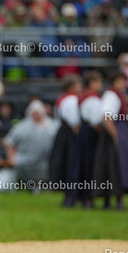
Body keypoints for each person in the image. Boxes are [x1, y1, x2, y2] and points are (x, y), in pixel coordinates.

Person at [93, 71, 128, 210]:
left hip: (118, 130)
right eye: (121, 81)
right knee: (113, 167)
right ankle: (113, 199)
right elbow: (107, 117)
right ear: (114, 81)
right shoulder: (111, 96)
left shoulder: (118, 95)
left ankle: (115, 199)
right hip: (113, 134)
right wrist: (116, 136)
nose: (124, 84)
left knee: (117, 166)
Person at [1, 100, 59, 192]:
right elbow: (8, 142)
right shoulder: (21, 126)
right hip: (26, 161)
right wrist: (11, 158)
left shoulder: (53, 125)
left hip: (47, 161)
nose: (37, 115)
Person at [70, 71, 104, 208]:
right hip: (91, 133)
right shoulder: (93, 99)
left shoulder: (81, 96)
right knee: (89, 165)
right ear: (92, 83)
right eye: (98, 82)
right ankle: (87, 197)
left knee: (81, 164)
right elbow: (96, 121)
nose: (101, 85)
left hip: (83, 132)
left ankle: (78, 196)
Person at [48, 74, 82, 205]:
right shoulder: (71, 100)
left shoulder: (62, 98)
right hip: (70, 134)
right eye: (78, 84)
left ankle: (70, 195)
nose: (80, 87)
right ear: (71, 86)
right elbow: (74, 121)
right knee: (72, 163)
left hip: (63, 132)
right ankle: (71, 196)